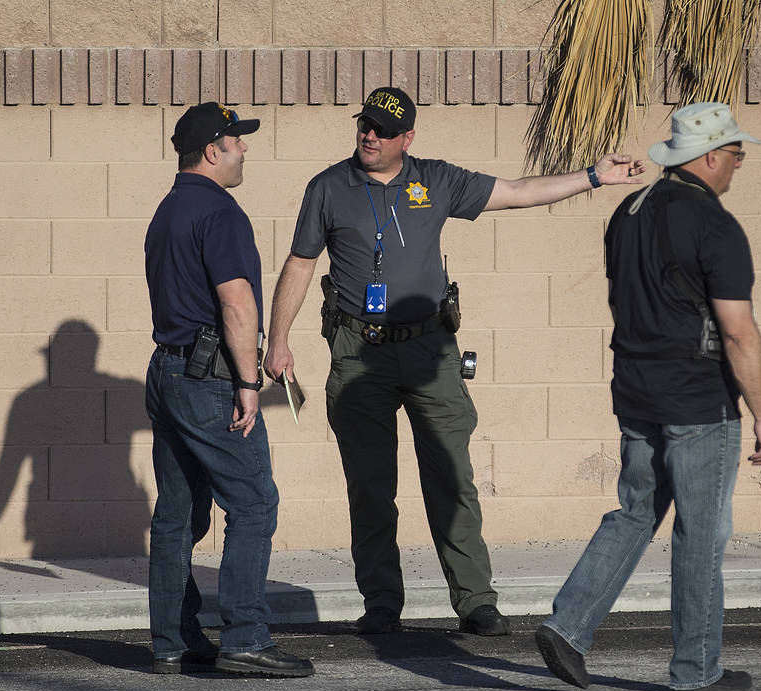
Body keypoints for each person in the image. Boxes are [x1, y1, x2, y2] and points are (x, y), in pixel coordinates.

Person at [263, 86, 645, 637]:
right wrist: (279, 339)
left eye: (382, 129)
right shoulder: (328, 187)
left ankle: (474, 601)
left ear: (407, 139)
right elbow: (300, 265)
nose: (369, 135)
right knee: (370, 485)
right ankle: (381, 603)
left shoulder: (436, 180)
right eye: (364, 125)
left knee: (451, 476)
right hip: (356, 348)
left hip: (430, 351)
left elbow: (516, 192)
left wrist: (592, 176)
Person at [534, 102, 761, 691]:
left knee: (636, 512)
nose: (737, 167)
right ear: (711, 155)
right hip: (697, 399)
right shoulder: (715, 225)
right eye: (736, 156)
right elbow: (738, 331)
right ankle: (696, 669)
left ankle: (568, 626)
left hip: (637, 391)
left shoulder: (630, 210)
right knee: (700, 530)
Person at [144, 102, 314, 678]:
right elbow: (236, 303)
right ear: (213, 150)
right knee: (253, 502)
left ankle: (171, 640)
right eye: (237, 141)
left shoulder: (168, 210)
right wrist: (246, 384)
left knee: (176, 514)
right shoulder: (220, 212)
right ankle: (244, 635)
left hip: (167, 370)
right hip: (209, 379)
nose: (245, 150)